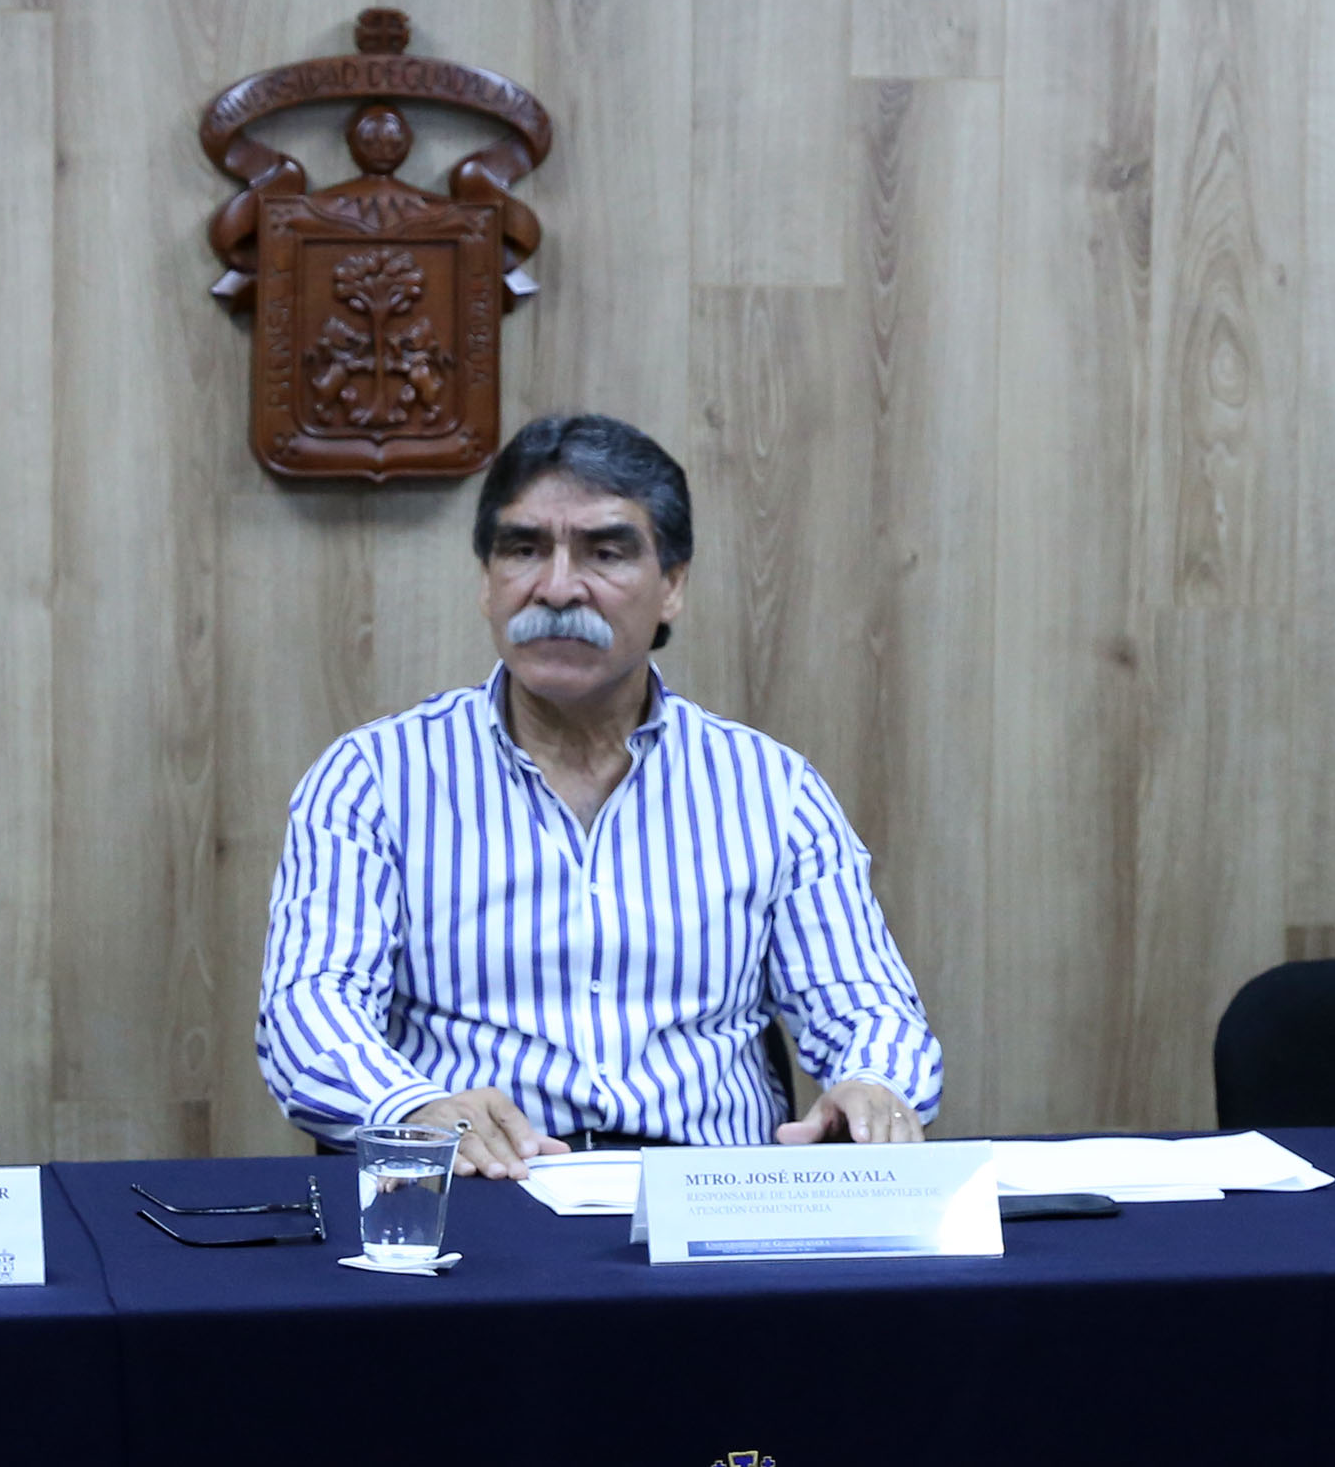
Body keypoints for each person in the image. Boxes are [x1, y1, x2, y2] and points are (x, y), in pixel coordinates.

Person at [258, 414, 945, 1179]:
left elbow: (869, 1007)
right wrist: (409, 1105)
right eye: (524, 549)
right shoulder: (372, 778)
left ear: (672, 586)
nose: (556, 588)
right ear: (485, 582)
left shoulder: (771, 790)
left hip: (707, 1202)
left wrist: (873, 1083)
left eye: (605, 552)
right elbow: (307, 1009)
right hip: (478, 1190)